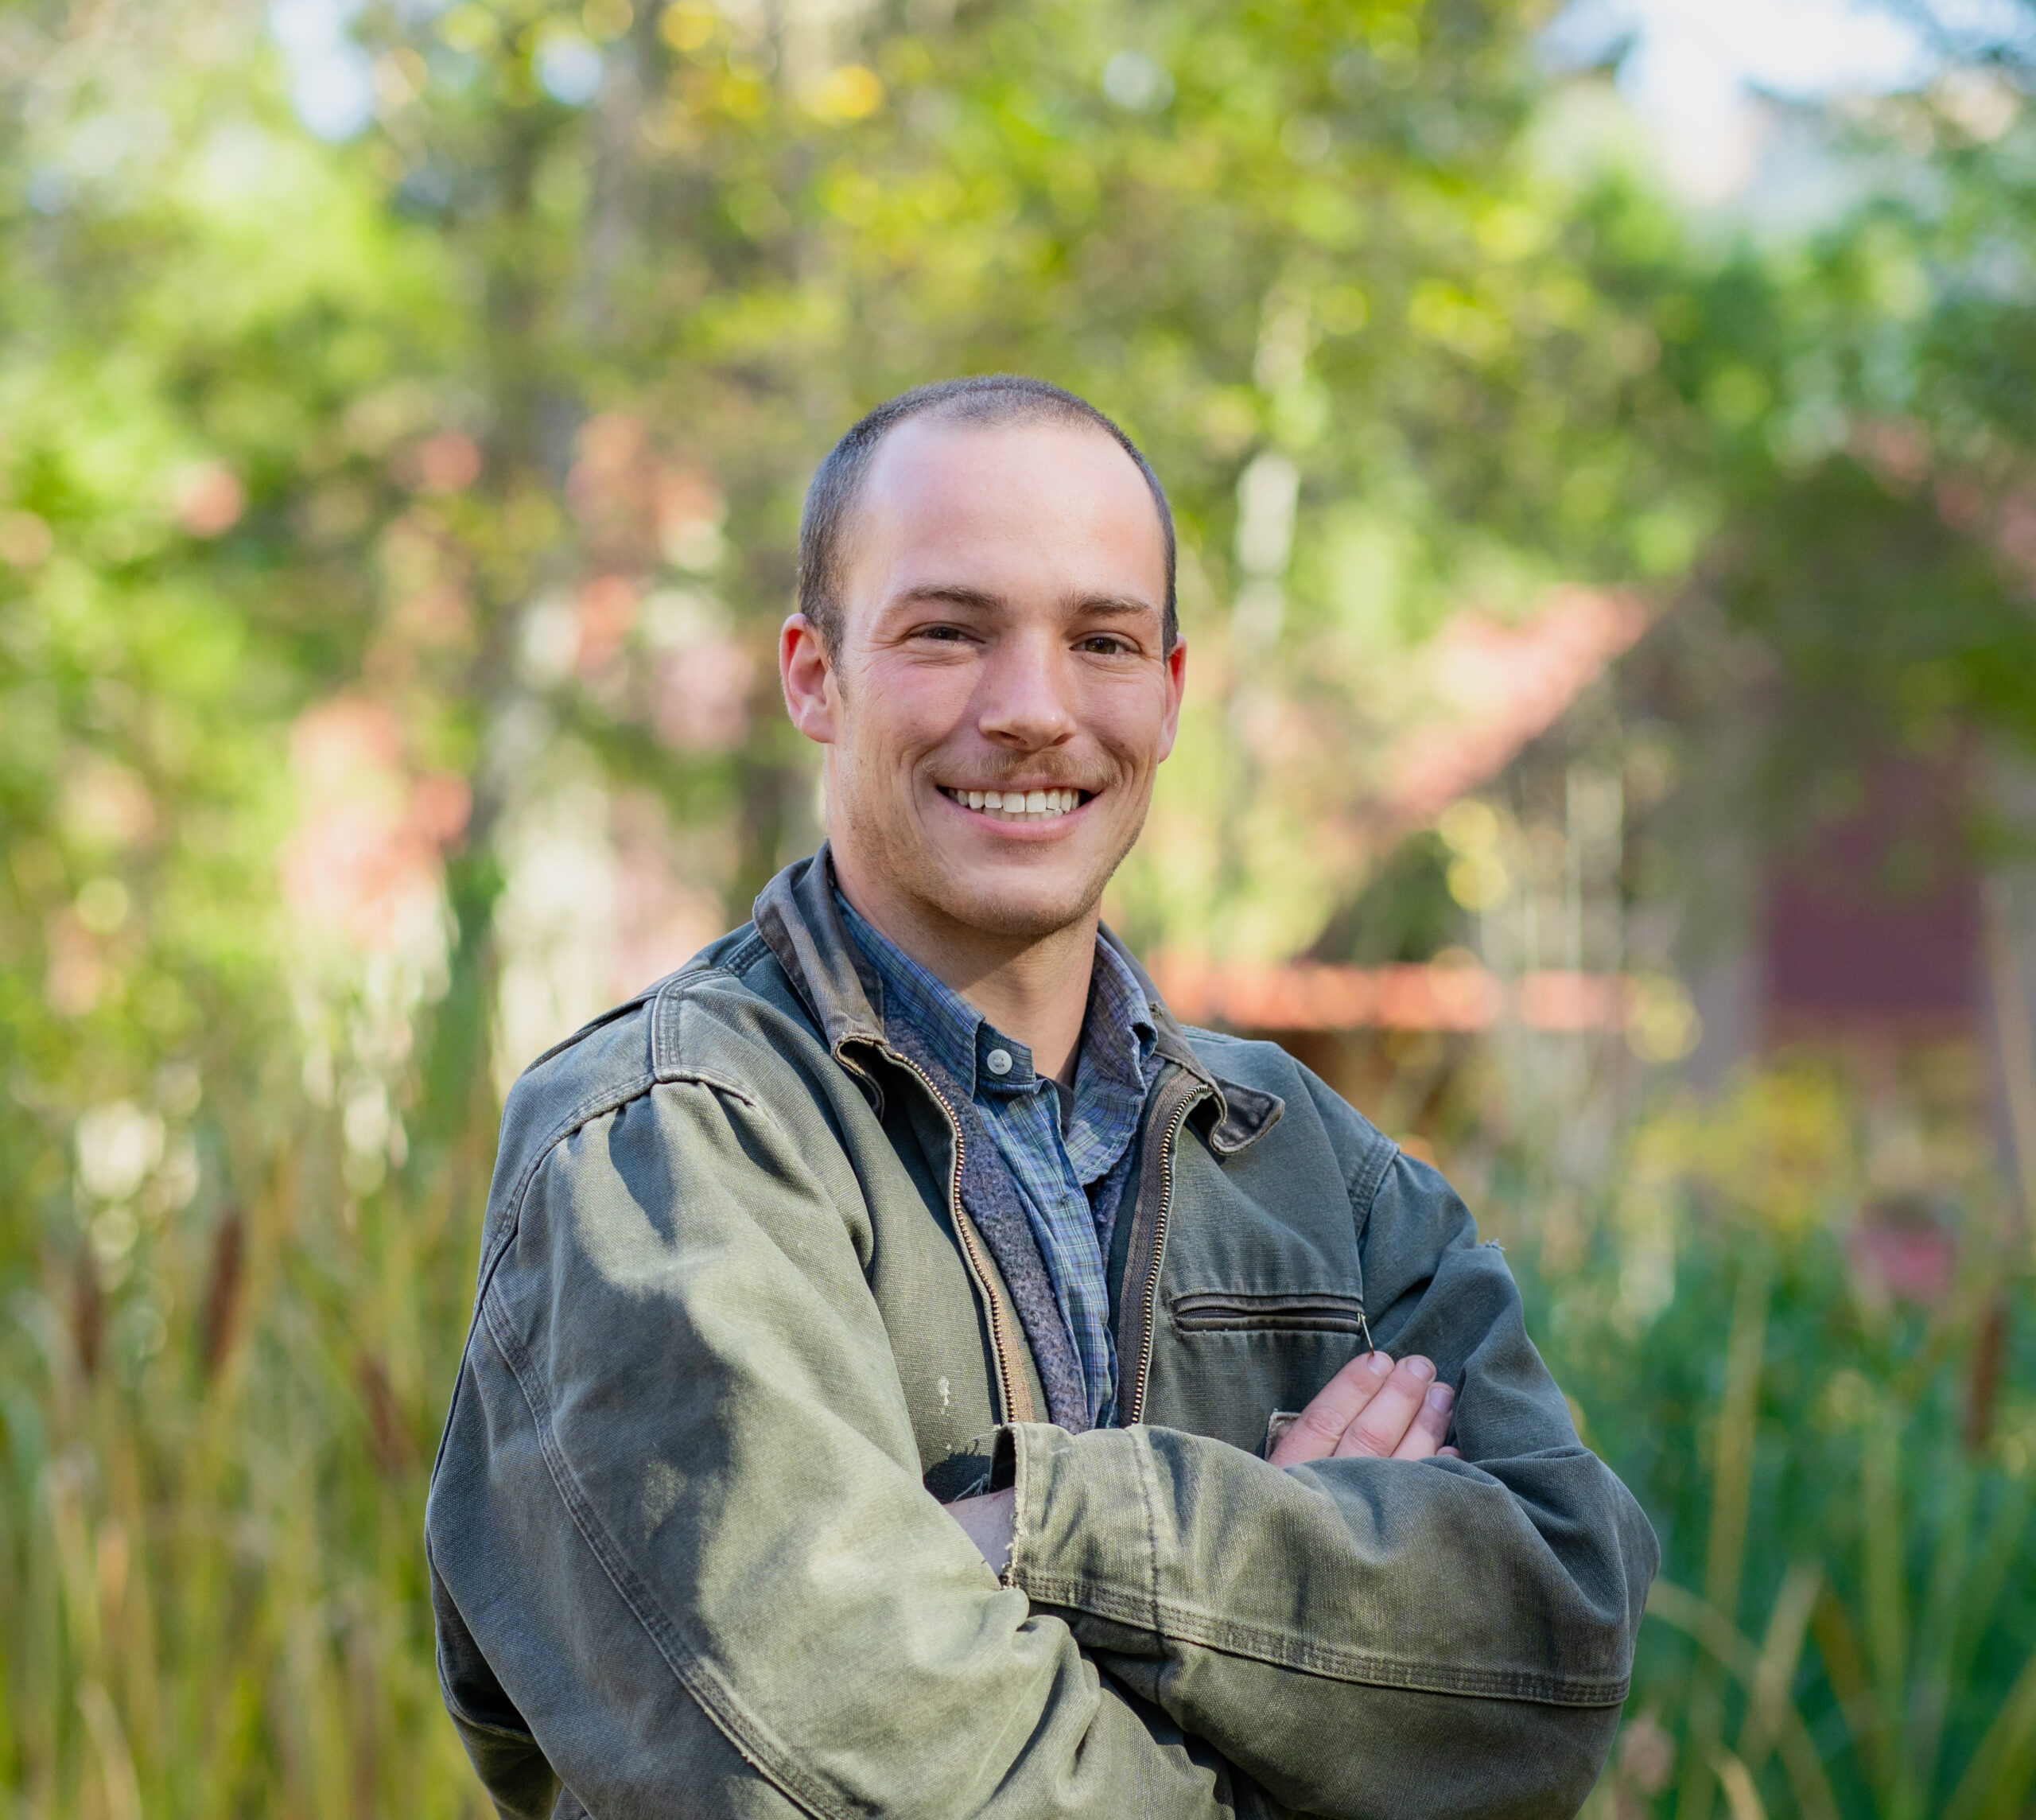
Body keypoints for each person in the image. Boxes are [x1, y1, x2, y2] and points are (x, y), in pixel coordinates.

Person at [425, 376, 1658, 1820]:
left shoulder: (1316, 1166)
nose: (1033, 712)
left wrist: (1046, 1534)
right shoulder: (671, 1142)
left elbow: (1556, 1662)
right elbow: (826, 1778)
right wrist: (1300, 1634)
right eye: (949, 633)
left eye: (1102, 641)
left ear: (1173, 691)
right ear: (815, 675)